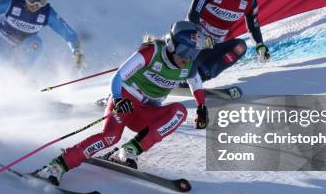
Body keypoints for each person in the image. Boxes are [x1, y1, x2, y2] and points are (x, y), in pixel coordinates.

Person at [35, 21, 209, 184]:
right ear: (171, 44)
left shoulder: (189, 66)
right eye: (185, 50)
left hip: (145, 112)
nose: (188, 57)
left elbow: (196, 83)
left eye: (194, 52)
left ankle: (128, 151)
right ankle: (56, 166)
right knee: (110, 136)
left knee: (179, 112)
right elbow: (118, 77)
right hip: (126, 101)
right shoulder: (152, 52)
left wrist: (201, 106)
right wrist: (118, 99)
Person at [186, 0, 270, 82]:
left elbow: (253, 25)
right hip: (193, 42)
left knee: (241, 47)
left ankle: (201, 75)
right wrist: (201, 38)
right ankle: (177, 70)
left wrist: (260, 46)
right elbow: (193, 14)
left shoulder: (249, 1)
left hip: (212, 48)